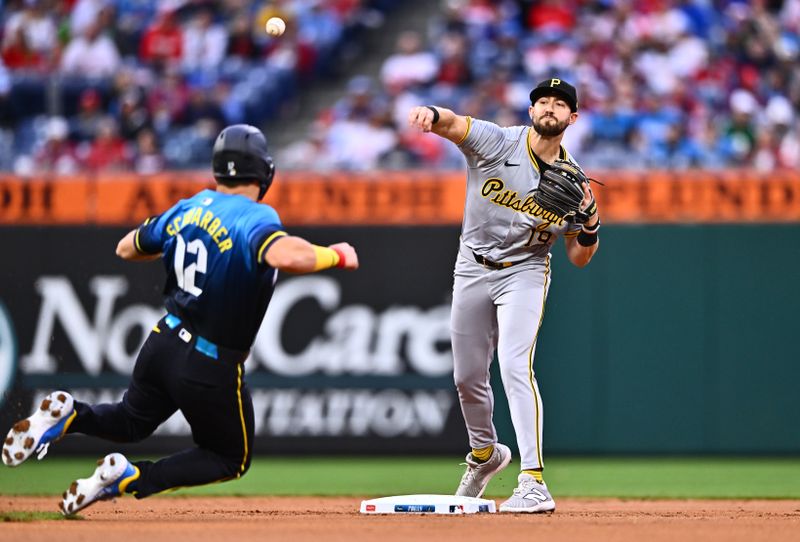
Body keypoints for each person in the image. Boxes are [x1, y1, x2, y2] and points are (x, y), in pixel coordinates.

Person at [2, 124, 359, 515]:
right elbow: (287, 256)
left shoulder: (189, 207)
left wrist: (180, 241)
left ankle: (70, 415)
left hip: (164, 339)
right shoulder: (254, 217)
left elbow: (126, 247)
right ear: (264, 172)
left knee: (129, 421)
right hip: (209, 361)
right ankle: (129, 478)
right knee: (229, 458)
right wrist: (336, 254)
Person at [408, 78, 600, 513]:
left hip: (527, 271)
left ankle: (533, 480)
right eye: (543, 101)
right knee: (466, 377)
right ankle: (484, 455)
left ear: (573, 117)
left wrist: (589, 226)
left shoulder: (575, 182)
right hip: (472, 264)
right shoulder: (499, 142)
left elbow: (580, 257)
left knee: (514, 365)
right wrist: (432, 116)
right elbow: (455, 124)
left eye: (560, 104)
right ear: (531, 111)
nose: (550, 108)